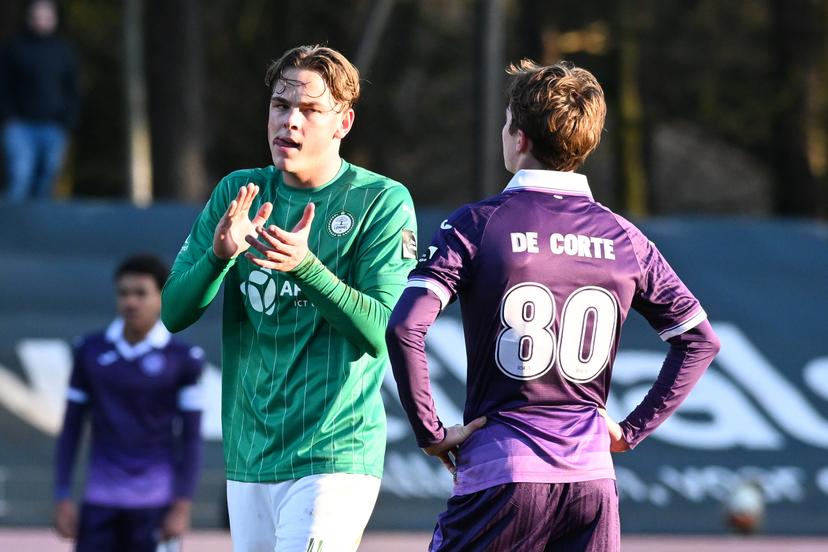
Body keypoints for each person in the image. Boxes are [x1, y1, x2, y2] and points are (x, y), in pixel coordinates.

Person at [386, 59, 721, 551]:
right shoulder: (627, 240)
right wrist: (629, 432)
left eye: (506, 122)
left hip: (501, 480)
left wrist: (431, 432)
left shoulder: (477, 224)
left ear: (519, 137)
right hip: (591, 485)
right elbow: (699, 341)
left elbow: (405, 327)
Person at [161, 44, 417, 552]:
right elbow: (172, 313)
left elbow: (383, 331)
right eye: (281, 106)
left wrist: (305, 268)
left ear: (343, 121)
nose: (290, 122)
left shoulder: (380, 202)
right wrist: (219, 256)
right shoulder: (239, 191)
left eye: (310, 110)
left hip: (334, 454)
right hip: (250, 454)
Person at [53, 254, 204, 552]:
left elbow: (191, 438)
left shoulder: (184, 360)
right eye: (123, 293)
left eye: (140, 293)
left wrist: (182, 506)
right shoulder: (89, 352)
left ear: (162, 297)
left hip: (157, 506)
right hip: (100, 502)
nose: (130, 302)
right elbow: (71, 429)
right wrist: (62, 496)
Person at [0, 0, 79, 202]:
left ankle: (37, 232)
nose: (42, 21)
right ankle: (9, 229)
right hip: (19, 126)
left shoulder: (64, 51)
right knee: (20, 178)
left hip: (53, 127)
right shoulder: (13, 48)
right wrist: (8, 116)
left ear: (54, 19)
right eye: (37, 16)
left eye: (46, 17)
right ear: (29, 18)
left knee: (46, 182)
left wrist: (67, 121)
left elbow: (74, 89)